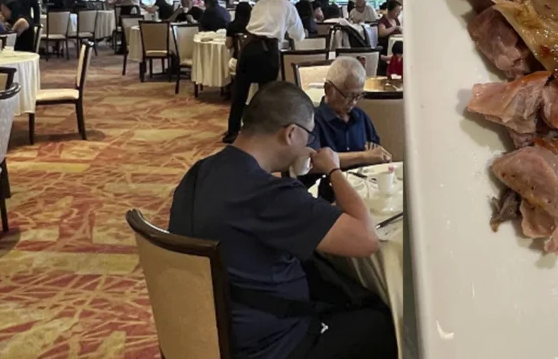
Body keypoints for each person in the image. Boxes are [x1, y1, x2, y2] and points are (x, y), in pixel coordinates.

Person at [169, 82, 395, 359]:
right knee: (380, 323)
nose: (308, 145)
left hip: (203, 328)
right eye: (308, 136)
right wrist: (333, 170)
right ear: (291, 134)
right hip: (270, 342)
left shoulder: (200, 170)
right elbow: (366, 239)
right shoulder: (269, 195)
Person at [225, 0, 306, 142]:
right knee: (267, 94)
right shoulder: (287, 6)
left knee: (240, 92)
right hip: (268, 50)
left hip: (248, 47)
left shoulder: (260, 3)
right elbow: (298, 34)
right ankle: (263, 133)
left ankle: (232, 131)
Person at [314, 57, 391, 168]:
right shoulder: (313, 120)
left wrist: (380, 156)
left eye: (358, 96)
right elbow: (313, 162)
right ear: (328, 89)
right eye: (348, 96)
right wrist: (363, 156)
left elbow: (375, 152)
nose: (354, 102)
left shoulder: (361, 117)